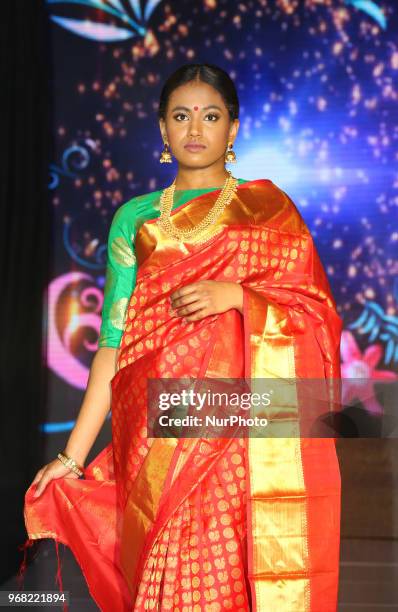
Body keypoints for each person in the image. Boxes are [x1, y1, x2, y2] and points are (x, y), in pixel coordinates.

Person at [22, 63, 342, 611]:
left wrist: (241, 298)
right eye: (181, 116)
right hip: (156, 436)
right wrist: (73, 459)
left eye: (211, 115)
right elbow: (114, 345)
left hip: (237, 440)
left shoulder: (270, 211)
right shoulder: (136, 220)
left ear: (234, 128)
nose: (196, 128)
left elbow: (315, 317)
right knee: (164, 579)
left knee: (225, 581)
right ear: (163, 130)